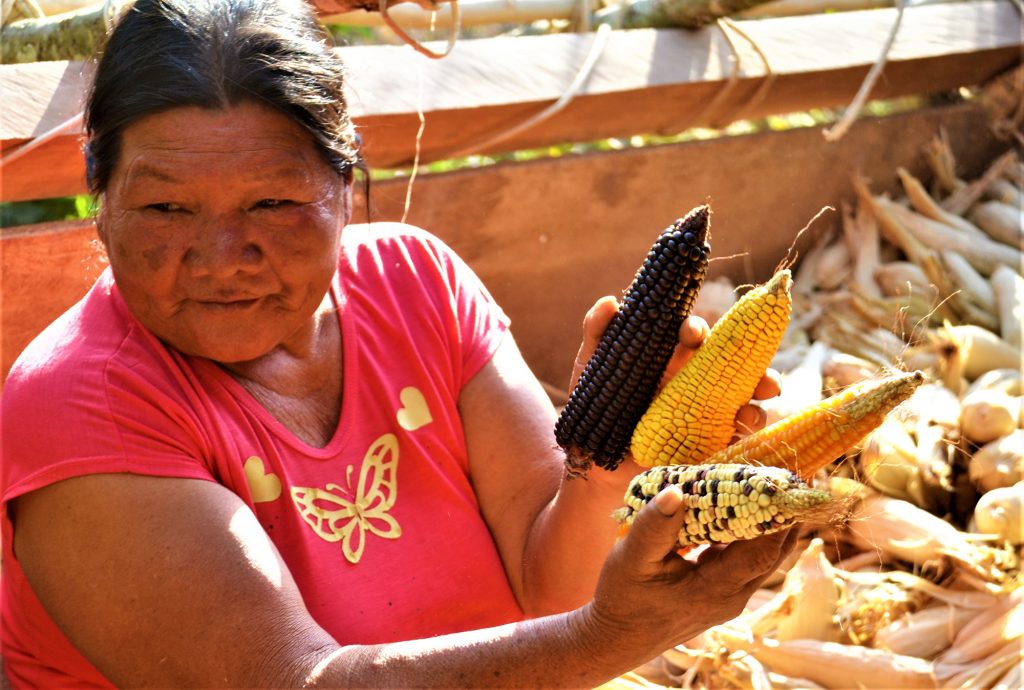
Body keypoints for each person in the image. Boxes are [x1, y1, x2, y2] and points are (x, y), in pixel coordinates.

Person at [0, 0, 793, 686]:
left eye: (272, 202)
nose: (218, 259)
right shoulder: (79, 404)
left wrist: (602, 463)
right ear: (99, 199)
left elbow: (549, 587)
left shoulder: (416, 282)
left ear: (344, 187)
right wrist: (614, 636)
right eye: (166, 211)